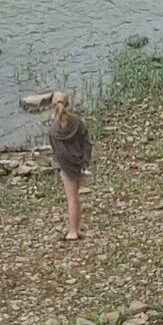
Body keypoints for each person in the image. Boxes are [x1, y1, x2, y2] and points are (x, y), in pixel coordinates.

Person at [47, 92, 92, 242]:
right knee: (76, 197)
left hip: (67, 167)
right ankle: (76, 228)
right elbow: (86, 143)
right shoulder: (78, 122)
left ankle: (72, 231)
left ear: (53, 107)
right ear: (69, 104)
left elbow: (58, 153)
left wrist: (66, 166)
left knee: (72, 198)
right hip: (80, 164)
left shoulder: (53, 131)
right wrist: (84, 162)